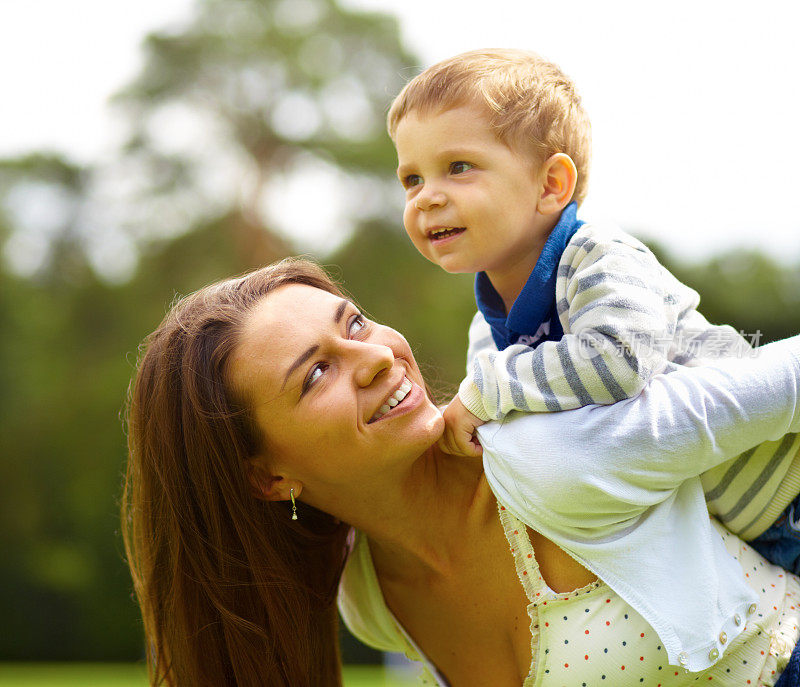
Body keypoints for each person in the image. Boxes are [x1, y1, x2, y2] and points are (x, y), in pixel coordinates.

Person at [123, 258, 800, 686]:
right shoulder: (370, 603)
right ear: (267, 477)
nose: (379, 357)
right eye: (317, 372)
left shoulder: (548, 445)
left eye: (355, 322)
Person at [387, 49, 800, 567]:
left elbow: (618, 359)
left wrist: (487, 391)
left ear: (550, 185)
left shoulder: (597, 256)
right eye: (412, 179)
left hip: (788, 486)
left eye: (458, 167)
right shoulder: (488, 330)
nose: (426, 197)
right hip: (741, 530)